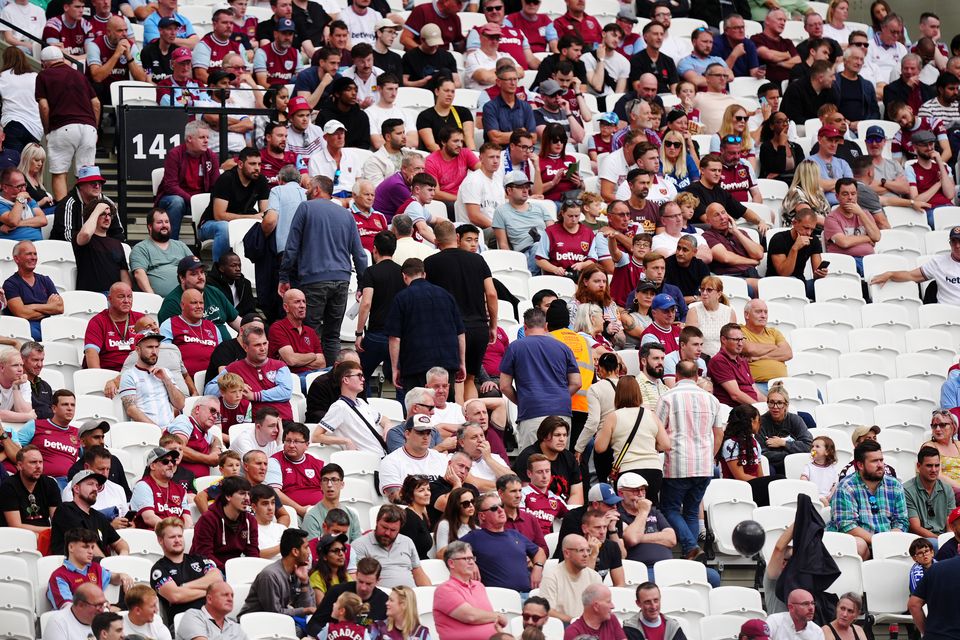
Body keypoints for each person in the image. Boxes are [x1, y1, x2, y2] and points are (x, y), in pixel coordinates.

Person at [34, 47, 99, 202]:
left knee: (59, 172)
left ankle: (64, 214)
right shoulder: (79, 75)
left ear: (44, 64)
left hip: (63, 126)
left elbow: (44, 106)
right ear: (63, 60)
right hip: (88, 127)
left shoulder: (44, 75)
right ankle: (87, 212)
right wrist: (95, 129)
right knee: (86, 175)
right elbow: (96, 103)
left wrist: (47, 130)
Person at [830, 439, 909, 560]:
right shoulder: (846, 486)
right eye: (874, 461)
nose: (880, 465)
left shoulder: (894, 485)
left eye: (881, 460)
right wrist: (878, 541)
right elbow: (847, 525)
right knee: (858, 545)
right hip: (862, 542)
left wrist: (891, 539)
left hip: (889, 540)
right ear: (860, 465)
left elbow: (901, 520)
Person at [462, 491, 546, 592]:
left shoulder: (514, 534)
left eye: (501, 506)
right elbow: (448, 551)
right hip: (500, 600)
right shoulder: (475, 536)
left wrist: (538, 567)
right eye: (494, 508)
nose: (501, 510)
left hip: (529, 596)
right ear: (482, 516)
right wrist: (470, 562)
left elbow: (539, 551)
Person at [150, 517, 223, 626]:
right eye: (172, 537)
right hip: (185, 623)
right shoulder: (159, 569)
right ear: (160, 540)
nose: (177, 540)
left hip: (214, 619)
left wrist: (183, 587)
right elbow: (175, 596)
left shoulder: (199, 559)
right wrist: (209, 592)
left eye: (180, 536)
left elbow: (218, 579)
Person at [239, 527, 314, 623]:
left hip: (280, 623)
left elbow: (308, 610)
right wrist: (304, 611)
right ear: (295, 551)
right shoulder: (270, 576)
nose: (309, 552)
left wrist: (304, 583)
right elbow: (274, 613)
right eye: (306, 547)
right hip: (255, 625)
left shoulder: (299, 571)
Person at [159, 255, 241, 343]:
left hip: (227, 349)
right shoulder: (172, 302)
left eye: (202, 272)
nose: (200, 277)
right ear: (182, 278)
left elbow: (236, 320)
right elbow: (169, 338)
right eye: (194, 274)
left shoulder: (214, 291)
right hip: (198, 348)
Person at [348, 504, 430, 588]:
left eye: (393, 530)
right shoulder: (359, 545)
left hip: (410, 596)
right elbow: (358, 580)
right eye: (384, 527)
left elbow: (418, 572)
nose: (387, 533)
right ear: (377, 522)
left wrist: (430, 593)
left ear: (400, 529)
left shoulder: (407, 542)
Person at [118, 332, 184, 426]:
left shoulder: (165, 372)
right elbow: (131, 410)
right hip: (146, 431)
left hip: (170, 430)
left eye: (157, 347)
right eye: (149, 347)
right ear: (138, 349)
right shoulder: (129, 375)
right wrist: (156, 430)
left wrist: (166, 379)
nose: (154, 351)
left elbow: (180, 404)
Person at [3, 239, 62, 341]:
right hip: (25, 327)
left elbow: (60, 308)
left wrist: (31, 307)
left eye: (35, 254)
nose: (33, 257)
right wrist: (49, 308)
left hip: (47, 325)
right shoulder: (10, 284)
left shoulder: (45, 280)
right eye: (29, 254)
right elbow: (21, 313)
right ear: (17, 259)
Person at [308, 557, 388, 632]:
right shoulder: (337, 592)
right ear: (356, 575)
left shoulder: (384, 601)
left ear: (378, 580)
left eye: (368, 584)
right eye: (360, 581)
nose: (363, 588)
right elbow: (314, 624)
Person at [379, 419, 448, 503]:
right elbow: (396, 498)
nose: (426, 437)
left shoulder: (441, 458)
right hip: (405, 513)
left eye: (428, 433)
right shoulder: (391, 461)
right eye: (420, 433)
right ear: (407, 434)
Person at [130, 209, 195, 297]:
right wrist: (153, 297)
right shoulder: (141, 248)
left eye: (167, 222)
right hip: (159, 301)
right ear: (150, 226)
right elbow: (139, 274)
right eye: (159, 222)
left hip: (187, 299)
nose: (164, 225)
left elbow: (196, 268)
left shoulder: (181, 246)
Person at [702, 203, 765, 292]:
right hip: (732, 277)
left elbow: (759, 254)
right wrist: (752, 261)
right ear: (708, 221)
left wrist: (737, 232)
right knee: (765, 287)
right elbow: (726, 258)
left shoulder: (740, 233)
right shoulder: (707, 236)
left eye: (723, 213)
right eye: (716, 215)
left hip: (751, 274)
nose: (722, 217)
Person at [540, 534, 602, 623]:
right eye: (581, 550)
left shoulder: (595, 577)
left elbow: (600, 608)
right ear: (567, 553)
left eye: (588, 550)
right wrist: (575, 622)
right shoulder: (552, 577)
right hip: (563, 627)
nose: (586, 555)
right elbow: (547, 611)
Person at [766, 210, 826, 299]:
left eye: (812, 229)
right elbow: (784, 273)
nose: (809, 233)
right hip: (777, 283)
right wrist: (795, 248)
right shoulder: (778, 239)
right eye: (806, 228)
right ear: (794, 223)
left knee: (826, 287)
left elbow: (816, 272)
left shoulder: (814, 240)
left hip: (800, 282)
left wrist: (819, 274)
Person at [0, 445, 59, 532]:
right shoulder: (9, 486)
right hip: (18, 538)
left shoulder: (50, 483)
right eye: (33, 462)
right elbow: (15, 526)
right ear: (20, 465)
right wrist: (51, 530)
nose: (38, 466)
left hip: (46, 537)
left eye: (41, 462)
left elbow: (57, 520)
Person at [759, 382, 813, 476]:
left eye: (779, 403)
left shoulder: (795, 420)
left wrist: (783, 443)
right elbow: (762, 453)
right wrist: (790, 454)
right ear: (767, 403)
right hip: (772, 464)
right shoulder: (761, 422)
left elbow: (808, 445)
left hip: (794, 462)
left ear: (786, 405)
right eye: (771, 402)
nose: (775, 407)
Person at [905, 446, 956, 543]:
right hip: (920, 541)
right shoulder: (907, 490)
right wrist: (940, 541)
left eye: (937, 465)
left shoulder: (947, 489)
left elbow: (951, 524)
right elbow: (916, 527)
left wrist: (948, 542)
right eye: (929, 465)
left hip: (945, 539)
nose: (934, 470)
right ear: (918, 466)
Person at [740, 300, 792, 393]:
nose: (763, 315)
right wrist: (774, 347)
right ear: (747, 315)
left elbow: (788, 353)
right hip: (757, 384)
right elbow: (750, 349)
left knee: (814, 392)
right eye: (758, 312)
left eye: (765, 312)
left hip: (782, 383)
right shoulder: (740, 331)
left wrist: (760, 356)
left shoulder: (773, 332)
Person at [175, 582, 243, 640]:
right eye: (225, 595)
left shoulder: (235, 627)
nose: (230, 599)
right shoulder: (193, 616)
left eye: (232, 596)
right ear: (209, 599)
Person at [624, 582, 690, 640]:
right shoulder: (629, 629)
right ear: (638, 603)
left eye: (656, 600)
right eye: (647, 602)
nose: (653, 606)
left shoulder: (673, 626)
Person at [41, 583, 108, 640]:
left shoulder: (105, 618)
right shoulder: (58, 623)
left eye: (103, 604)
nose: (102, 610)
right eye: (98, 605)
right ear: (80, 605)